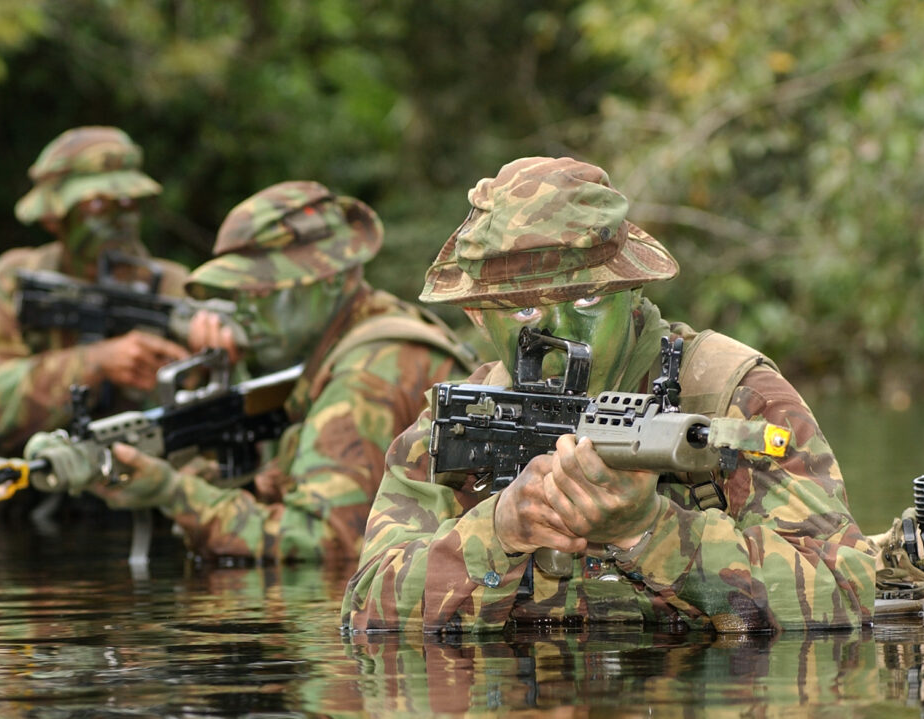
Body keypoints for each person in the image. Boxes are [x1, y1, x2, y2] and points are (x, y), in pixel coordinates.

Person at [341, 156, 877, 634]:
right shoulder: (464, 418)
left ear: (632, 289)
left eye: (589, 298)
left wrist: (648, 531)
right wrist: (499, 530)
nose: (563, 335)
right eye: (524, 310)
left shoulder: (730, 395)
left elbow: (848, 594)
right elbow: (367, 611)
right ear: (478, 316)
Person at [23, 181, 476, 563]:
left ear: (334, 281)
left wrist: (171, 493)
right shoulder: (381, 329)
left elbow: (324, 541)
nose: (242, 311)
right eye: (237, 293)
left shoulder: (363, 375)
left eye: (262, 291)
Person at [0, 126, 191, 515]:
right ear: (54, 218)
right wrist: (96, 363)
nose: (120, 218)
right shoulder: (13, 281)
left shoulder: (177, 289)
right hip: (23, 494)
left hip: (142, 495)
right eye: (97, 205)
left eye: (129, 202)